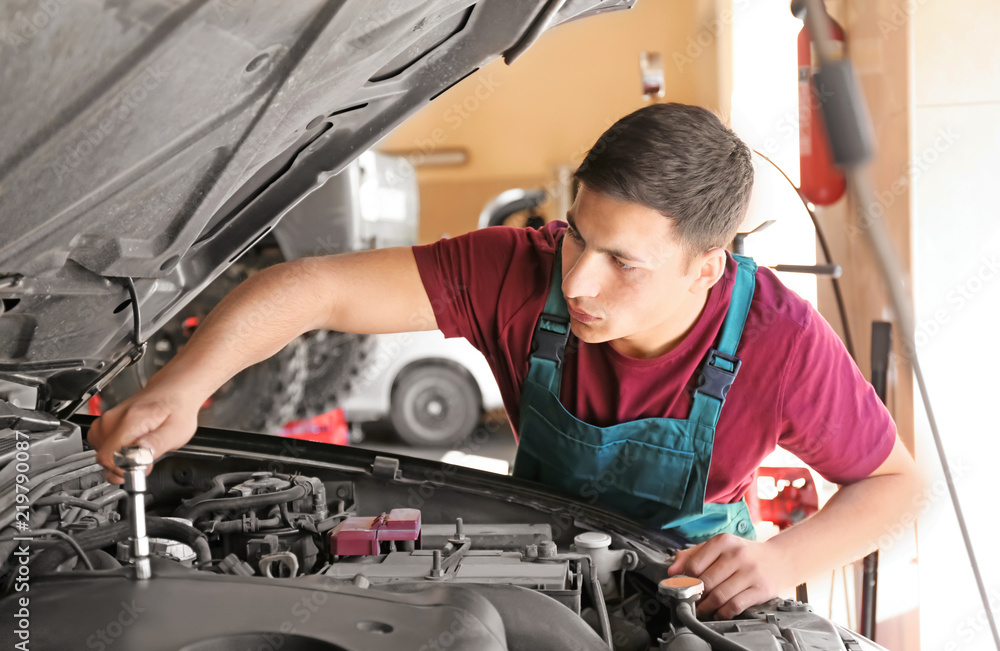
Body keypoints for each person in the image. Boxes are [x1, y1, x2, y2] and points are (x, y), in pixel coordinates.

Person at [88, 103, 920, 619]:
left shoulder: (781, 340)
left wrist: (783, 559)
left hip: (689, 581)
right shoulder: (522, 267)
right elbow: (309, 289)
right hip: (522, 552)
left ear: (710, 266)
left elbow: (898, 484)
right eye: (579, 236)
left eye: (623, 262)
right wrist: (183, 386)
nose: (579, 280)